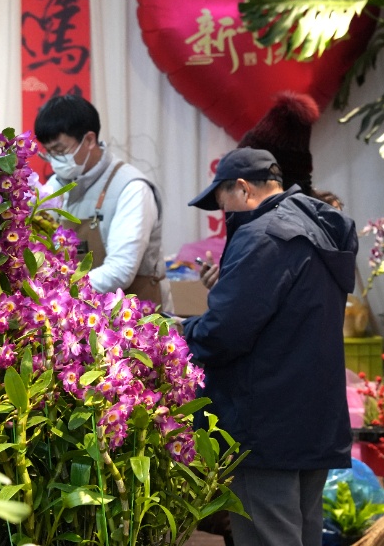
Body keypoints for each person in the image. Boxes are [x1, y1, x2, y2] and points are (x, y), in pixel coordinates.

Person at [182, 147, 358, 546]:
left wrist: (182, 331)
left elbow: (225, 332)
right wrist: (228, 286)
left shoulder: (262, 236)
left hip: (266, 421)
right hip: (313, 416)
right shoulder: (315, 225)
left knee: (268, 536)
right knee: (304, 531)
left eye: (223, 203)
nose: (224, 215)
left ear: (243, 189)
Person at [34, 95, 168, 307]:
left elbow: (121, 270)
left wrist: (61, 290)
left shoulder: (131, 188)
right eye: (49, 153)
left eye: (60, 151)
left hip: (134, 314)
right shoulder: (56, 186)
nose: (54, 161)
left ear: (89, 140)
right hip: (80, 310)